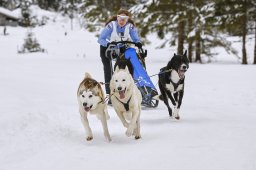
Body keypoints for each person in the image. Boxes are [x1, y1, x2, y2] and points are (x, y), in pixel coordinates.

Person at [97, 9, 142, 104]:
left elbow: (136, 39)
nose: (122, 21)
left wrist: (138, 43)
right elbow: (100, 39)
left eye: (125, 19)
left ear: (127, 19)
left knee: (124, 68)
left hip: (120, 47)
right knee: (108, 70)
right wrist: (108, 44)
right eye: (120, 18)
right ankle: (110, 95)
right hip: (107, 48)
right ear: (117, 18)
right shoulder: (111, 25)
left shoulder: (130, 27)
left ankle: (131, 91)